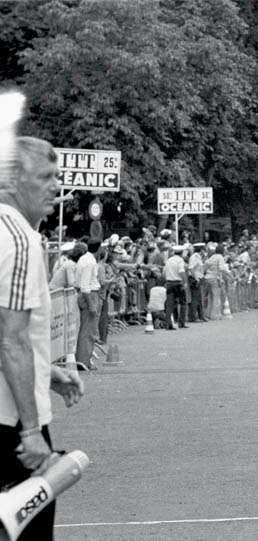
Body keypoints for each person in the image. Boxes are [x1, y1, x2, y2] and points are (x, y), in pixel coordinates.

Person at [0, 135, 84, 540]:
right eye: (45, 177)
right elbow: (11, 339)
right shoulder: (19, 239)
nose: (56, 187)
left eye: (58, 176)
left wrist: (45, 371)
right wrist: (31, 432)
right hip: (10, 421)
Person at [75, 238, 102, 370]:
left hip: (86, 294)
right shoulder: (90, 262)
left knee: (85, 329)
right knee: (89, 331)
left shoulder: (84, 259)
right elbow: (85, 286)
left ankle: (83, 359)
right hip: (89, 295)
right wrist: (91, 305)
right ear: (99, 248)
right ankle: (84, 361)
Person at [164, 245, 189, 330]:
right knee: (183, 303)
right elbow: (181, 271)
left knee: (169, 304)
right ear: (181, 253)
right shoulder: (180, 260)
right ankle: (181, 322)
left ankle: (168, 324)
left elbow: (164, 272)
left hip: (169, 283)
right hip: (178, 283)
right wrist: (185, 281)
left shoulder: (168, 260)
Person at [187, 243, 207, 323]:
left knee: (199, 298)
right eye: (204, 249)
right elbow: (191, 268)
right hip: (195, 279)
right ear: (201, 249)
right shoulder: (194, 257)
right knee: (195, 299)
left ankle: (201, 316)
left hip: (199, 278)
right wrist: (195, 278)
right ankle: (193, 317)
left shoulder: (199, 257)